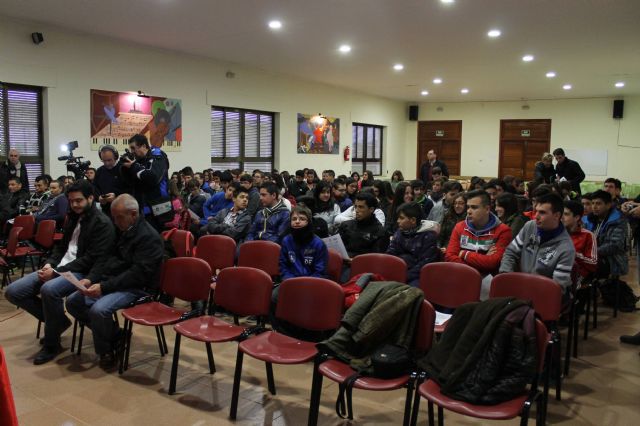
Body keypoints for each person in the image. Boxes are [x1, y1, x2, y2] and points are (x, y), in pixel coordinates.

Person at [5, 180, 115, 364]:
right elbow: (60, 248)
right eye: (71, 201)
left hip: (81, 271)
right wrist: (49, 264)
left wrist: (55, 272)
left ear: (90, 198)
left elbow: (90, 259)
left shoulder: (102, 223)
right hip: (60, 267)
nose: (74, 205)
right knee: (13, 292)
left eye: (79, 201)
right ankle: (59, 322)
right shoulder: (72, 217)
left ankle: (52, 343)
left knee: (50, 290)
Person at [65, 194, 163, 368]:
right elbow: (106, 258)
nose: (115, 222)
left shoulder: (149, 237)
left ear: (133, 214)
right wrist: (91, 279)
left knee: (99, 310)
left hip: (138, 287)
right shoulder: (121, 230)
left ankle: (106, 350)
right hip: (116, 281)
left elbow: (137, 274)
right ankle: (116, 335)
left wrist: (104, 287)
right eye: (114, 217)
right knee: (73, 302)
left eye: (119, 217)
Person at [500, 192, 576, 296]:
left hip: (544, 295)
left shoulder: (566, 248)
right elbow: (510, 252)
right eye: (536, 211)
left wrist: (529, 293)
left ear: (557, 215)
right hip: (520, 286)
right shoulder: (529, 226)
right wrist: (506, 276)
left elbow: (557, 287)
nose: (536, 216)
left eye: (542, 212)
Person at [445, 190, 512, 298]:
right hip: (460, 278)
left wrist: (464, 254)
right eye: (468, 207)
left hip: (487, 285)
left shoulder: (503, 231)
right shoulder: (460, 227)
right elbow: (449, 256)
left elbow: (493, 262)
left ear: (487, 209)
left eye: (474, 207)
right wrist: (482, 260)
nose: (469, 211)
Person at [119, 134, 170, 231]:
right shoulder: (138, 162)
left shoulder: (157, 155)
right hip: (143, 208)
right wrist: (125, 169)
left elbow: (154, 177)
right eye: (130, 149)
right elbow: (129, 183)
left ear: (143, 146)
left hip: (160, 209)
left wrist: (134, 166)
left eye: (133, 148)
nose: (132, 152)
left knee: (161, 241)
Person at [386, 202, 440, 287]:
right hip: (397, 272)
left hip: (416, 276)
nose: (398, 221)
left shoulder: (428, 237)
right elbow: (390, 254)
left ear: (413, 220)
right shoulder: (399, 232)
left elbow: (424, 265)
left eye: (401, 218)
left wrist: (404, 276)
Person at [582, 190, 628, 279]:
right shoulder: (589, 219)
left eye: (598, 203)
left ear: (608, 205)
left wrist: (590, 253)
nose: (594, 207)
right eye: (593, 203)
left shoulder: (618, 220)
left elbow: (615, 245)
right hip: (592, 256)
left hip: (612, 260)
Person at [277, 206, 328, 285]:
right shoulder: (286, 241)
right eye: (294, 219)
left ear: (309, 222)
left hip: (312, 284)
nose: (297, 221)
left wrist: (304, 284)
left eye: (302, 219)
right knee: (274, 296)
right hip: (290, 283)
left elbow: (320, 272)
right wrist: (291, 281)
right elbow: (283, 266)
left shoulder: (319, 244)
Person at [337, 192, 388, 270]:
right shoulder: (346, 225)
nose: (356, 210)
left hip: (364, 268)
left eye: (361, 207)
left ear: (371, 209)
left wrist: (358, 261)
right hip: (342, 262)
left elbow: (376, 259)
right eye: (355, 206)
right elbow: (338, 247)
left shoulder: (380, 232)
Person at [562, 200, 598, 286]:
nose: (561, 217)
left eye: (566, 214)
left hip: (577, 276)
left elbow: (593, 263)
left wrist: (574, 254)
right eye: (561, 213)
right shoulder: (555, 233)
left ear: (577, 217)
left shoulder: (588, 235)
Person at [93, 144, 126, 218]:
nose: (107, 163)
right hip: (106, 211)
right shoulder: (99, 171)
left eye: (109, 160)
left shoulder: (124, 169)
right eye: (104, 160)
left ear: (116, 157)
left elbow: (131, 189)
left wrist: (116, 196)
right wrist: (98, 197)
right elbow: (94, 188)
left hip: (123, 210)